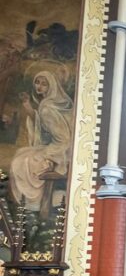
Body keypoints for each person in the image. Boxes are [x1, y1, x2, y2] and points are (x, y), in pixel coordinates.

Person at [9, 70, 73, 212]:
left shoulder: (47, 108)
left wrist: (49, 152)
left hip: (60, 148)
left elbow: (62, 138)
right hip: (56, 145)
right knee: (21, 153)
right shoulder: (51, 103)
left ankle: (30, 202)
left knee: (21, 161)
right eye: (37, 82)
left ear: (52, 86)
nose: (39, 86)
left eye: (44, 84)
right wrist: (27, 105)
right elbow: (41, 123)